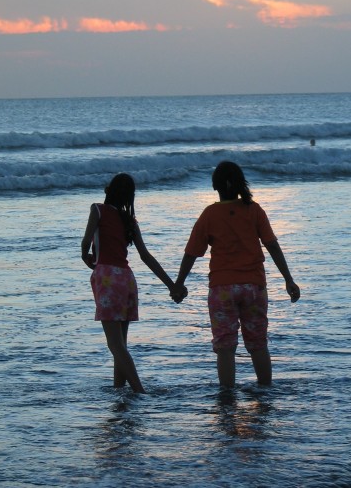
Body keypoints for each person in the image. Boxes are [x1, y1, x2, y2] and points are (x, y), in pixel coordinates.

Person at [174, 161, 300, 388]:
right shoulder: (254, 210)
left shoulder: (210, 214)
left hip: (223, 289)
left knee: (225, 347)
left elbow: (191, 253)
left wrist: (179, 284)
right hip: (254, 288)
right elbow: (272, 246)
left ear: (216, 187)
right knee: (258, 343)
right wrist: (288, 279)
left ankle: (227, 398)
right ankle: (264, 393)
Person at [81, 173, 187, 393]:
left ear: (108, 190)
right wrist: (171, 286)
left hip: (107, 279)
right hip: (127, 280)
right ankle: (119, 391)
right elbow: (146, 256)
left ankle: (139, 390)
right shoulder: (129, 221)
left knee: (115, 345)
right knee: (121, 345)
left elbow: (85, 243)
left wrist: (88, 258)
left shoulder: (97, 209)